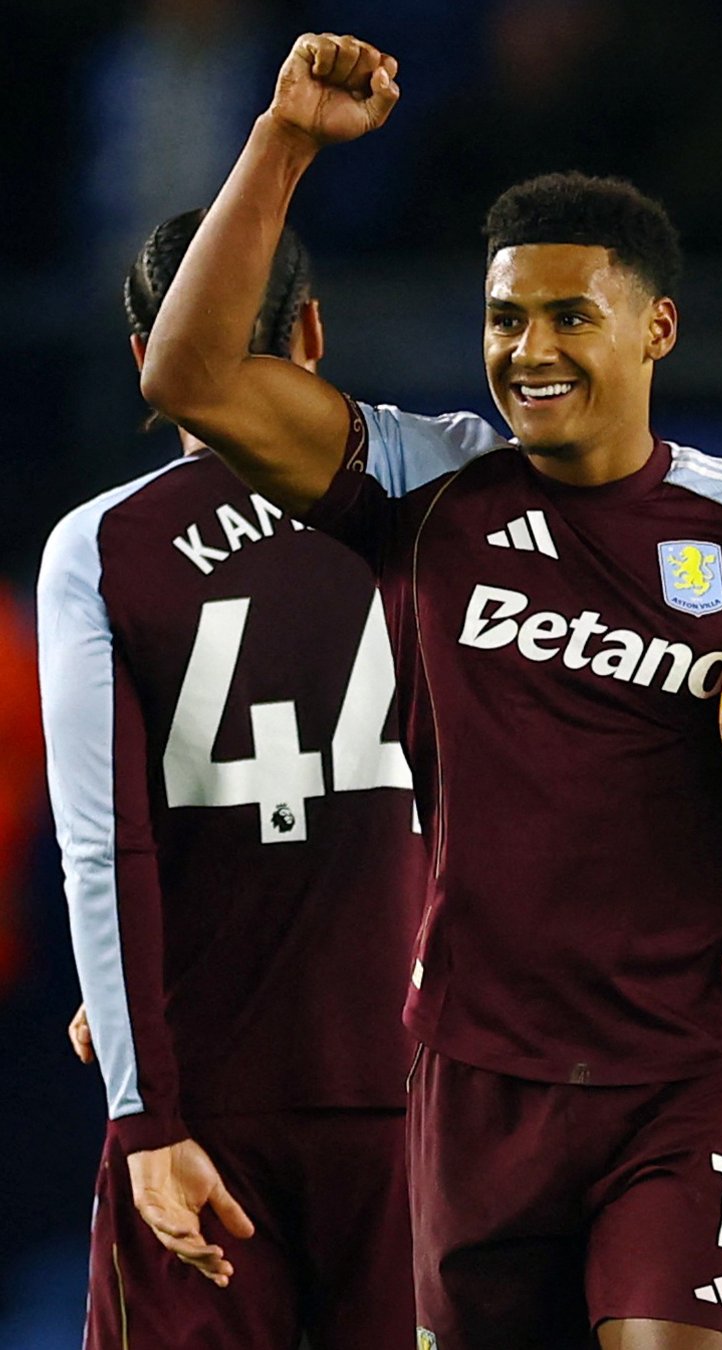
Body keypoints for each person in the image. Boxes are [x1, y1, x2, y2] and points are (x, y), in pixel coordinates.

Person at [139, 34, 722, 1350]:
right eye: (503, 316)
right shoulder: (425, 484)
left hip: (688, 1081)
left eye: (567, 315)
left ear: (656, 326)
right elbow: (187, 377)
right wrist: (285, 141)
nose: (527, 348)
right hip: (468, 1089)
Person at [37, 208, 424, 1350]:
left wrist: (142, 1090)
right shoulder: (432, 515)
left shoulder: (104, 548)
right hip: (420, 1090)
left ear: (145, 362)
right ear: (311, 330)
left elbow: (105, 846)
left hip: (201, 1098)